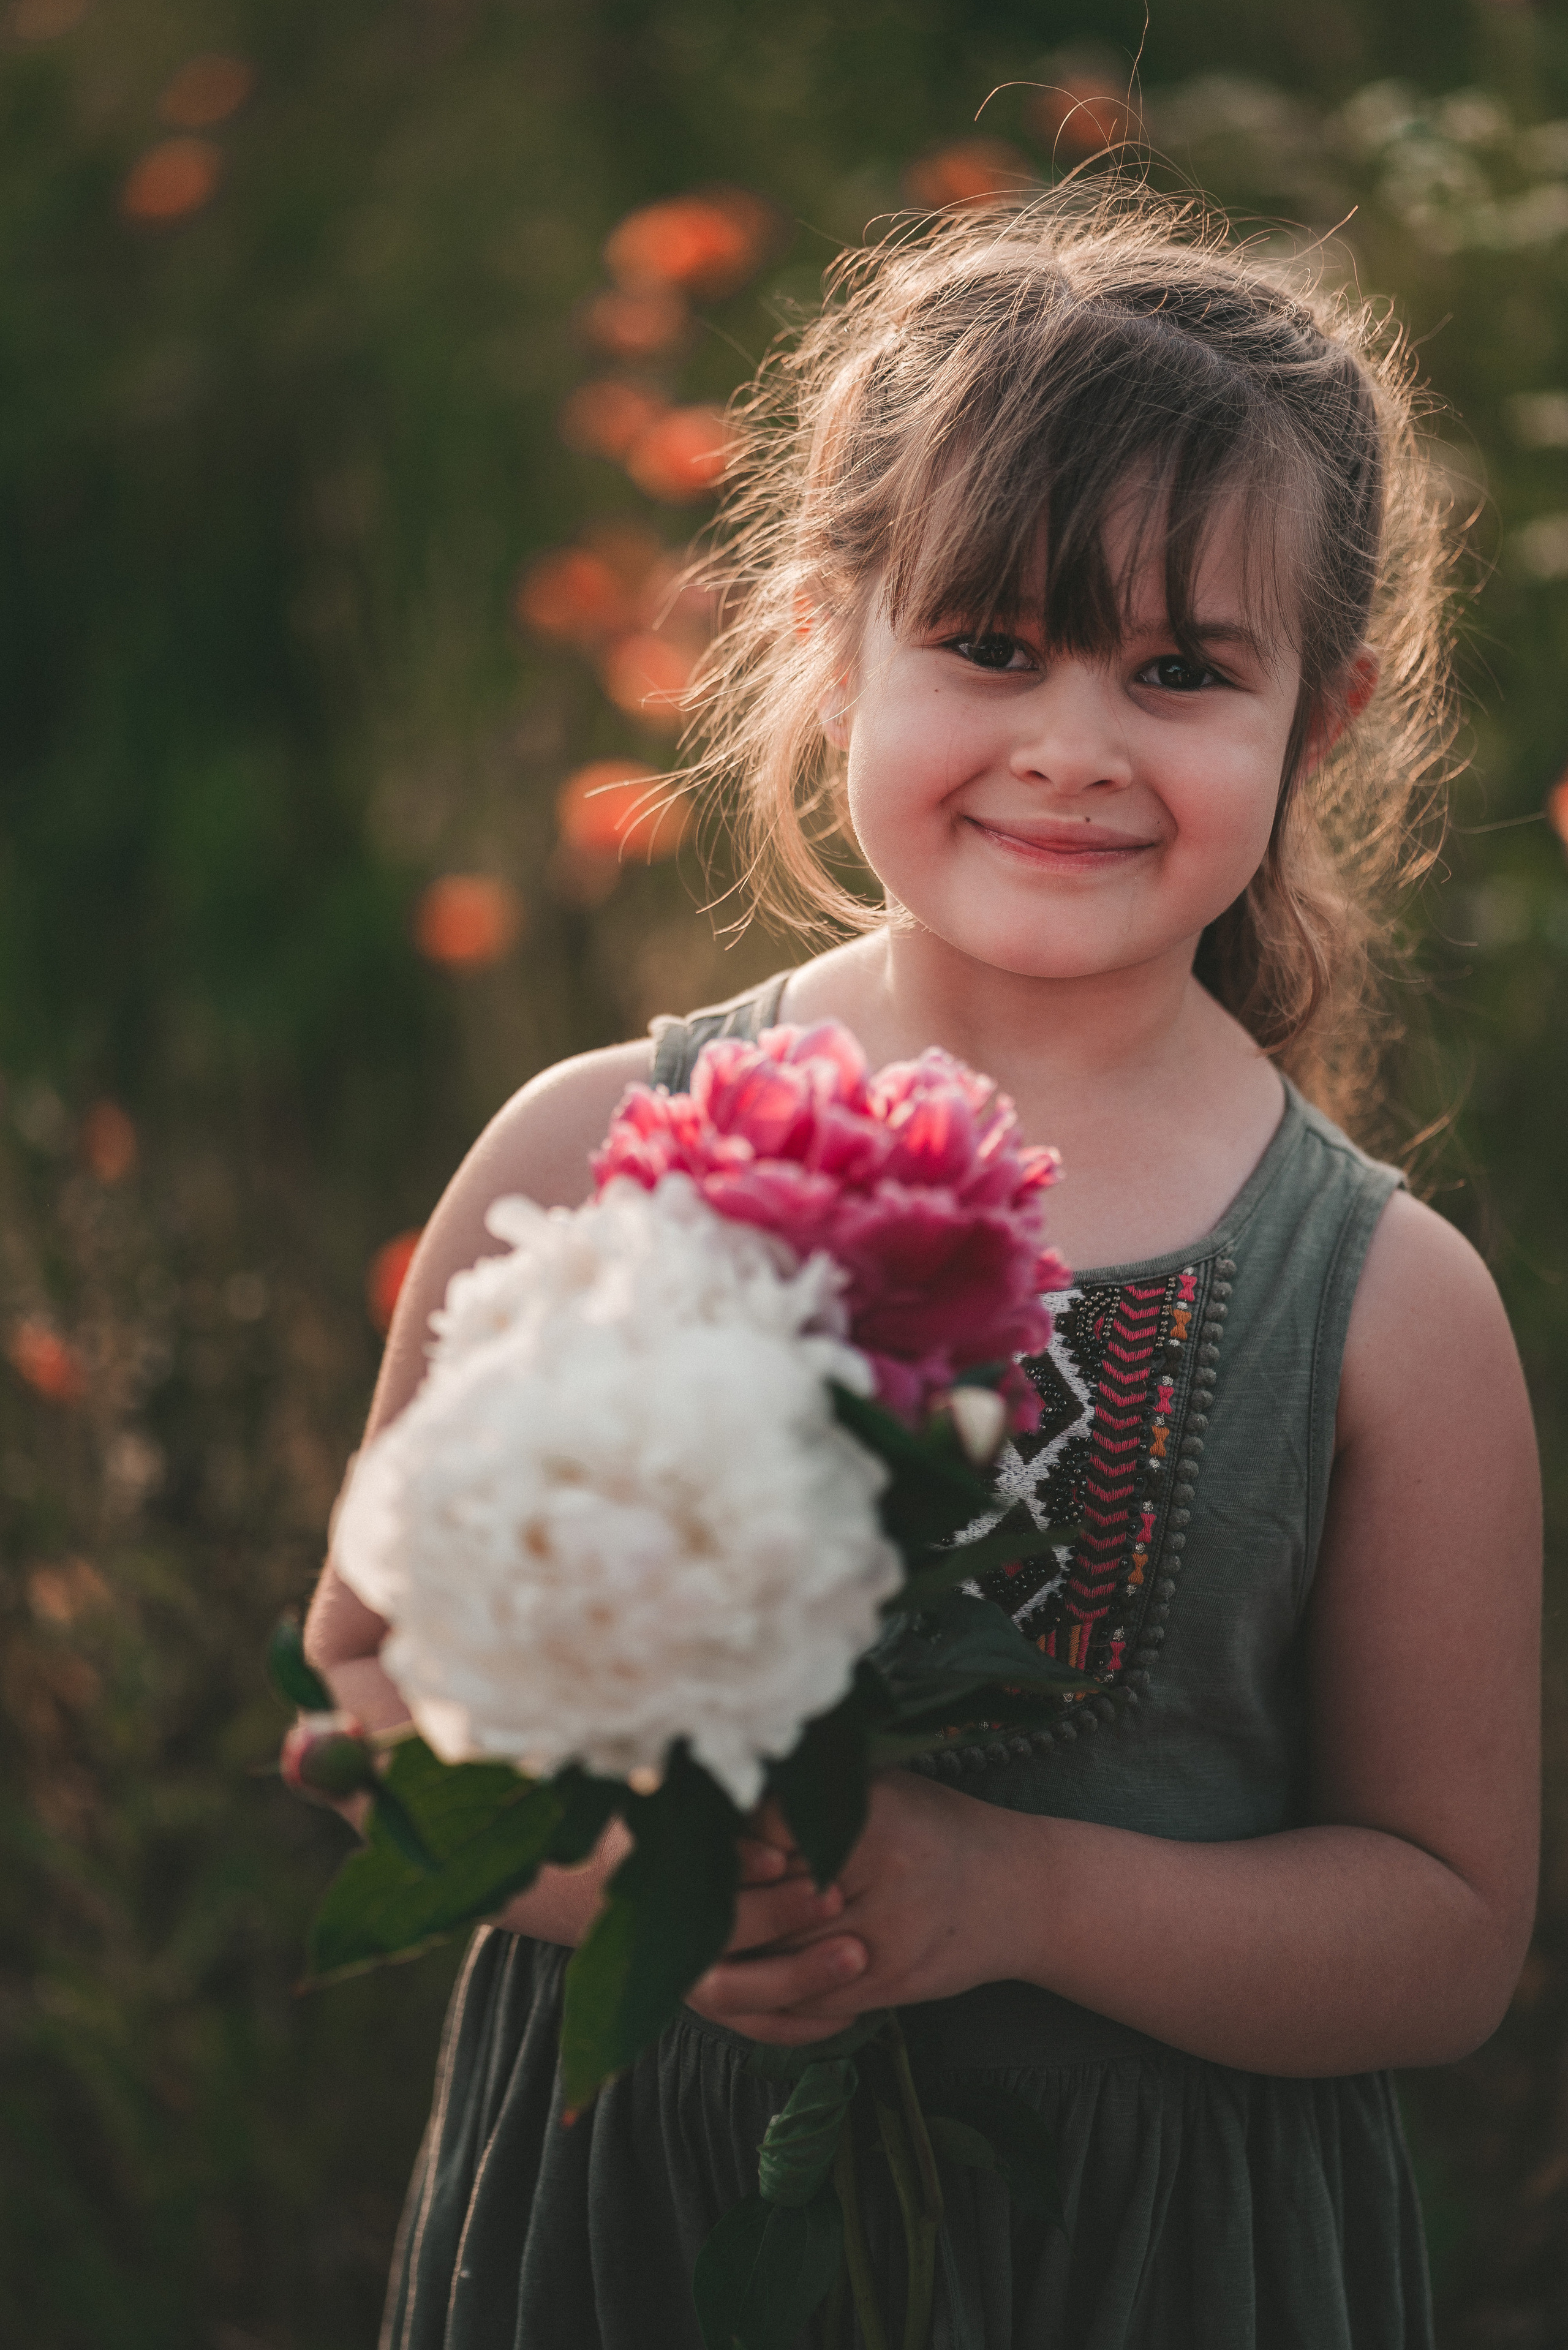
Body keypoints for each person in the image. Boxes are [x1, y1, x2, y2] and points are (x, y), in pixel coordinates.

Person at [304, 183, 1540, 2349]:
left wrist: (1017, 1893)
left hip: (1143, 2260)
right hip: (640, 2219)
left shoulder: (1392, 1303)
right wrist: (638, 1898)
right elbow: (370, 1663)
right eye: (991, 645)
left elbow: (1445, 1938)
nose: (1073, 742)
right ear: (825, 634)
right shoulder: (597, 1151)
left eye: (1180, 671)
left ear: (1320, 721)